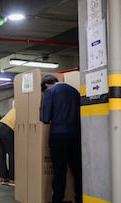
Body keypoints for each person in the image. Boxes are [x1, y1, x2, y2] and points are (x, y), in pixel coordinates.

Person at [40, 75, 82, 203]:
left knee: (59, 171)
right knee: (77, 170)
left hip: (58, 136)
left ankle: (58, 199)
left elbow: (45, 118)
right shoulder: (75, 91)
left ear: (46, 85)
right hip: (76, 135)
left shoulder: (50, 92)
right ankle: (80, 198)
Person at [0, 106, 16, 186]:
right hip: (7, 129)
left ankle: (3, 177)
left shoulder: (14, 109)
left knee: (1, 153)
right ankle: (12, 178)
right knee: (13, 153)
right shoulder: (24, 110)